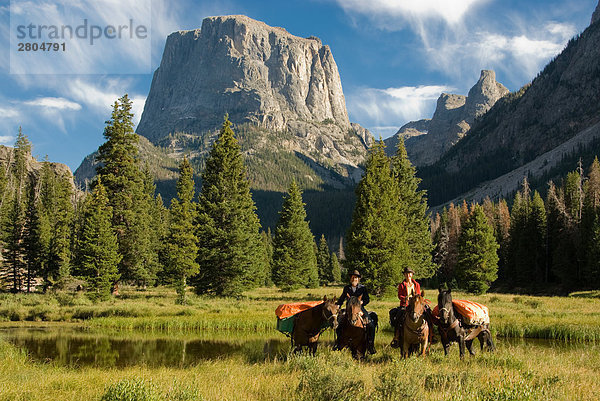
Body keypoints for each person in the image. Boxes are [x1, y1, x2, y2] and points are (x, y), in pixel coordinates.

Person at [335, 270, 378, 354]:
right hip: (348, 309)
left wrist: (361, 302)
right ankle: (338, 343)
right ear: (351, 278)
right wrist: (338, 305)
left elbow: (367, 299)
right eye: (353, 277)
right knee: (338, 323)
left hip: (360, 308)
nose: (354, 279)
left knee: (371, 325)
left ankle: (370, 345)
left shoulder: (362, 288)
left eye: (356, 277)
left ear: (358, 279)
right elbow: (342, 299)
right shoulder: (346, 288)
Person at [390, 267, 421, 348]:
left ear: (412, 274)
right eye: (406, 273)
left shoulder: (416, 284)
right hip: (405, 305)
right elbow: (399, 295)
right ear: (404, 275)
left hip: (415, 304)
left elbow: (419, 294)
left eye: (409, 273)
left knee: (427, 313)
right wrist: (405, 298)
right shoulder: (402, 285)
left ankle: (431, 334)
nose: (408, 275)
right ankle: (396, 337)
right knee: (398, 317)